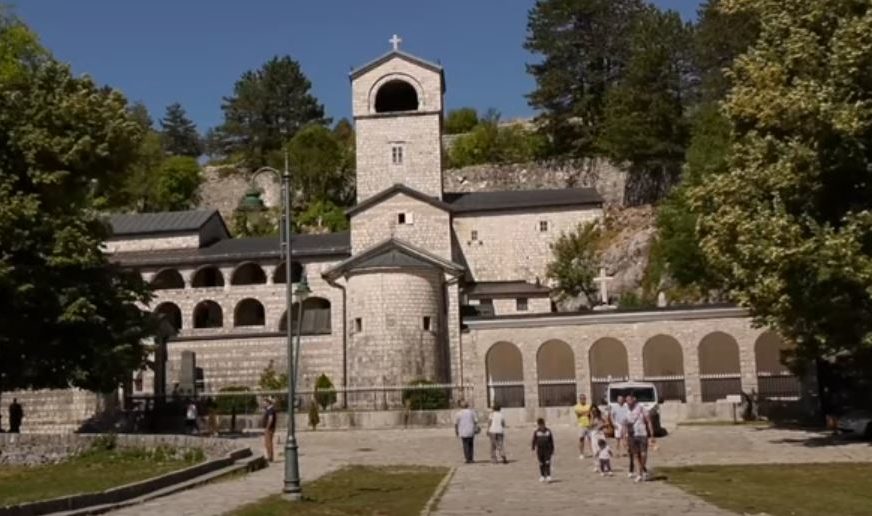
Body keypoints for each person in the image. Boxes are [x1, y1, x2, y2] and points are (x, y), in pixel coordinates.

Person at [625, 392, 655, 482]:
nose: (627, 402)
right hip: (632, 435)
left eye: (629, 400)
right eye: (626, 400)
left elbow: (648, 421)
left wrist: (652, 434)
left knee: (643, 454)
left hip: (642, 434)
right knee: (636, 455)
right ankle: (642, 472)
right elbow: (626, 424)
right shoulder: (627, 410)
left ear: (634, 399)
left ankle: (641, 472)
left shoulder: (642, 408)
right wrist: (625, 436)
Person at [531, 418, 555, 483]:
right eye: (540, 425)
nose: (541, 427)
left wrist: (552, 449)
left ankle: (548, 475)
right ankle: (542, 475)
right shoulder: (536, 432)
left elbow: (551, 441)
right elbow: (534, 441)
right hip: (540, 450)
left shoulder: (548, 431)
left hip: (547, 450)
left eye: (542, 425)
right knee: (541, 463)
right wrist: (533, 448)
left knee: (547, 462)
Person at [573, 394, 592, 459]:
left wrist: (586, 413)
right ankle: (581, 453)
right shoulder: (576, 407)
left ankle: (592, 451)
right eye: (581, 398)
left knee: (591, 439)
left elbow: (591, 414)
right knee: (581, 439)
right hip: (581, 425)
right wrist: (586, 413)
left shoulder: (589, 406)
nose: (583, 400)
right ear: (579, 399)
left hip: (589, 425)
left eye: (584, 398)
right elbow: (579, 414)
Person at [589, 405, 606, 472]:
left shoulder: (601, 416)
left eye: (595, 410)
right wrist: (592, 417)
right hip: (594, 433)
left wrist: (601, 425)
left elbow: (606, 422)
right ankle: (596, 465)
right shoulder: (591, 417)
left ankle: (604, 465)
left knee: (602, 449)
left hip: (601, 433)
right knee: (595, 450)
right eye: (592, 411)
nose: (594, 412)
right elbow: (590, 426)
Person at [263, 397, 277, 461]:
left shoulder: (270, 410)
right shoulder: (269, 409)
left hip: (269, 429)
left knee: (268, 443)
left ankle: (270, 457)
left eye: (265, 403)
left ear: (268, 403)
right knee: (267, 443)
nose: (264, 404)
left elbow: (270, 419)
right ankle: (269, 456)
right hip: (270, 428)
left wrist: (267, 428)